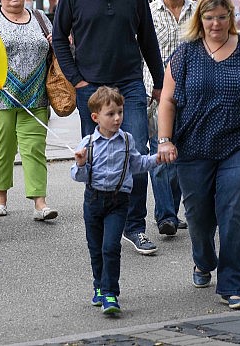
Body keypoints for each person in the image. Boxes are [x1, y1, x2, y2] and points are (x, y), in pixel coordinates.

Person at [156, 0, 240, 310]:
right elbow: (167, 100)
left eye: (222, 17)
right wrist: (164, 139)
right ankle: (202, 259)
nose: (216, 24)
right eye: (209, 18)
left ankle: (233, 285)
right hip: (194, 145)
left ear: (232, 16)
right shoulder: (185, 53)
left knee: (234, 210)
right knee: (198, 215)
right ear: (200, 19)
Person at [53, 0, 164, 256]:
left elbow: (147, 38)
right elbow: (59, 38)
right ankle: (100, 222)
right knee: (96, 157)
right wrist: (76, 80)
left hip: (129, 84)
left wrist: (158, 82)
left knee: (136, 150)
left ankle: (135, 226)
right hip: (93, 89)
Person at [72, 87, 163, 315]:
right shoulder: (88, 143)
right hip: (93, 200)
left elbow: (138, 164)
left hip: (118, 201)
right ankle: (99, 286)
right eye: (110, 114)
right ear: (96, 117)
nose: (117, 118)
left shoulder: (127, 140)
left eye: (120, 112)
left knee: (110, 247)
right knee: (95, 248)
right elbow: (78, 176)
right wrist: (81, 163)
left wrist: (158, 159)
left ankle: (111, 292)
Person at [0, 0, 57, 221]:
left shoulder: (40, 18)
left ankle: (40, 203)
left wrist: (56, 41)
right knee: (3, 149)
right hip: (3, 97)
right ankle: (0, 199)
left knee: (34, 149)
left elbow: (58, 46)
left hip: (37, 96)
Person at [143, 0, 194, 236]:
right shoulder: (148, 13)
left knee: (181, 156)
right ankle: (166, 215)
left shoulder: (199, 13)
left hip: (191, 96)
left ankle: (171, 211)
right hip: (156, 95)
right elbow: (139, 54)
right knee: (160, 150)